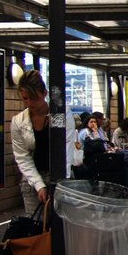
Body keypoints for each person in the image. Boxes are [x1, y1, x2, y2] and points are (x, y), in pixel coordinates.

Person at [12, 70, 77, 215]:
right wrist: (39, 185)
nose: (29, 103)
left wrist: (61, 182)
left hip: (60, 176)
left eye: (34, 98)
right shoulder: (19, 121)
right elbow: (22, 157)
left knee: (62, 225)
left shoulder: (60, 114)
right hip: (32, 179)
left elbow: (65, 148)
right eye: (25, 98)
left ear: (45, 94)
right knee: (35, 225)